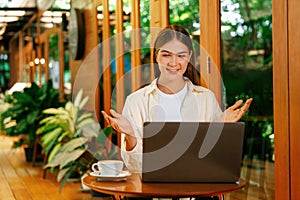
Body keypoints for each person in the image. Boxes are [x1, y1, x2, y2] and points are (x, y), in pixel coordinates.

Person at [102, 25, 253, 173]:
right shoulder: (136, 101)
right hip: (153, 194)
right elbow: (134, 167)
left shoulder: (206, 98)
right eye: (166, 55)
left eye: (181, 55)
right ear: (156, 56)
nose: (174, 63)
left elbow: (215, 159)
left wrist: (221, 127)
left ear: (190, 57)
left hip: (197, 193)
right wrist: (130, 135)